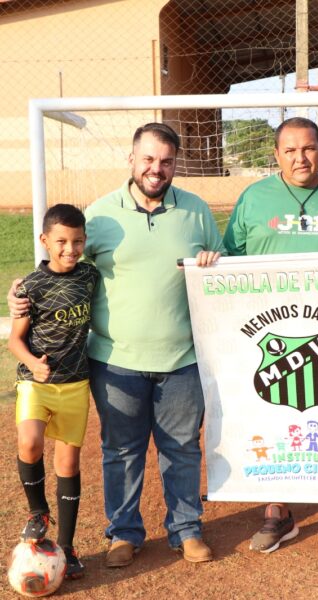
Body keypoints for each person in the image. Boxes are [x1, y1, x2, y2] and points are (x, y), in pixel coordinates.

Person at [9, 122, 224, 568]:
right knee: (121, 450)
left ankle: (185, 529)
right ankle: (123, 533)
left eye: (166, 161)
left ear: (175, 164)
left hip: (182, 357)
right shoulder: (102, 215)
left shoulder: (197, 211)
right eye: (148, 159)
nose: (156, 169)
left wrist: (214, 263)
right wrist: (21, 295)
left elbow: (221, 272)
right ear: (131, 160)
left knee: (181, 448)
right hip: (115, 359)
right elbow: (61, 265)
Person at [223, 116, 318, 554]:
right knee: (271, 411)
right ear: (276, 155)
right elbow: (230, 258)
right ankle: (278, 510)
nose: (299, 157)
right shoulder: (253, 198)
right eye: (289, 150)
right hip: (270, 335)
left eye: (307, 148)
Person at [8, 204, 99, 579]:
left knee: (68, 464)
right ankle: (36, 511)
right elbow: (15, 340)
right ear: (45, 241)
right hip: (36, 382)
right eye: (61, 241)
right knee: (29, 442)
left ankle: (66, 546)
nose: (69, 249)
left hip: (76, 384)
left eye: (77, 241)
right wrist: (33, 362)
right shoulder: (31, 285)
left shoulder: (91, 277)